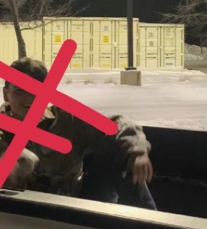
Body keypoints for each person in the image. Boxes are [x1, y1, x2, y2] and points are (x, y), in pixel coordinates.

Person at [1, 57, 156, 210]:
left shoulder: (66, 120)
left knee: (120, 153)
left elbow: (118, 123)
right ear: (6, 94)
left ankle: (150, 224)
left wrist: (138, 152)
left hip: (75, 210)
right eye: (19, 91)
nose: (29, 98)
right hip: (18, 214)